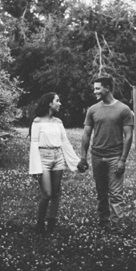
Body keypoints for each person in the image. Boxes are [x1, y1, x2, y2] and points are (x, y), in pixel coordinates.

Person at [78, 76, 134, 232]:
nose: (94, 91)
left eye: (97, 88)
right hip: (96, 156)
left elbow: (128, 136)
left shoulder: (123, 110)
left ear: (107, 88)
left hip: (115, 156)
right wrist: (83, 157)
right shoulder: (93, 110)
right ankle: (104, 223)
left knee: (116, 194)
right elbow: (86, 135)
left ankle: (117, 226)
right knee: (101, 192)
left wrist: (123, 159)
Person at [28, 92, 82, 234]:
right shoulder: (37, 122)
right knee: (47, 193)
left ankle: (51, 223)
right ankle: (40, 223)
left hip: (58, 158)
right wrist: (34, 168)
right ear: (49, 104)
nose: (60, 103)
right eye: (57, 101)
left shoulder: (58, 122)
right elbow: (33, 144)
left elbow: (65, 142)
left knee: (56, 193)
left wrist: (77, 162)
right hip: (43, 158)